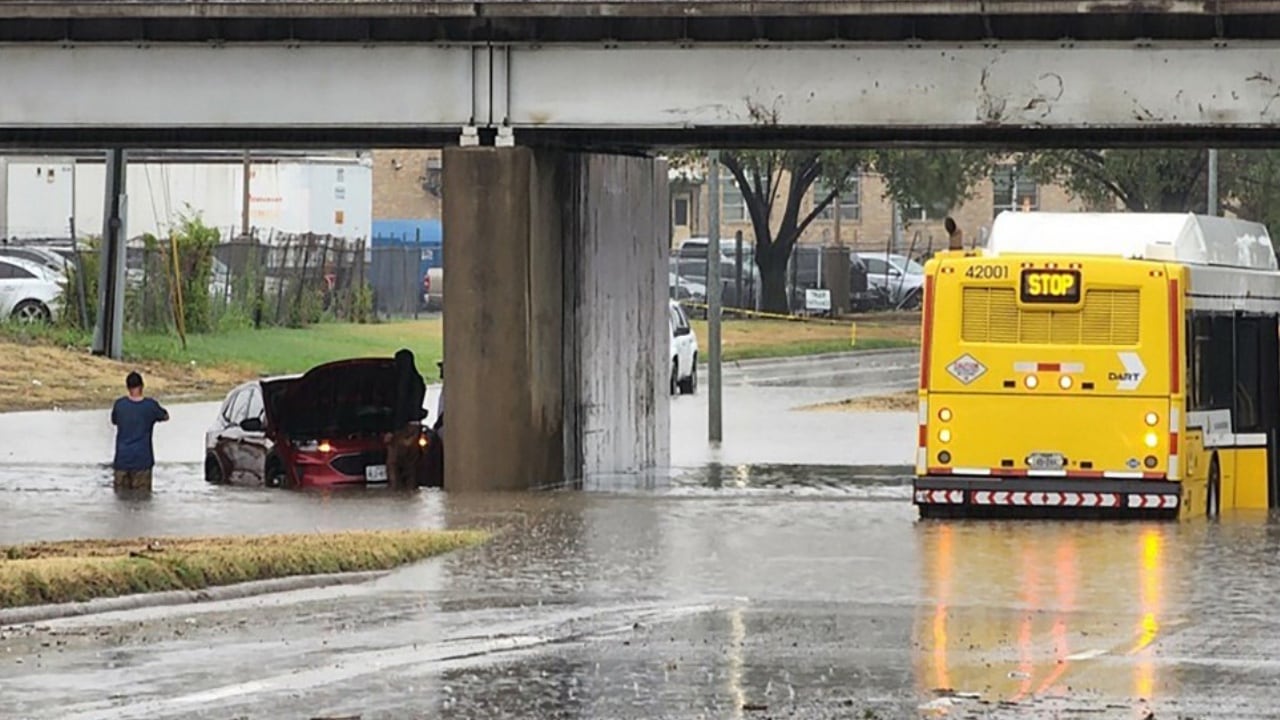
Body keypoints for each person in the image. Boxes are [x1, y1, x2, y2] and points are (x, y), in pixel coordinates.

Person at [110, 371, 169, 494]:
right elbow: (165, 416)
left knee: (120, 498)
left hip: (122, 460)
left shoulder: (119, 405)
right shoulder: (150, 406)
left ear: (127, 387)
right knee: (142, 498)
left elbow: (114, 421)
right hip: (142, 461)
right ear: (142, 386)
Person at [387, 348, 426, 490]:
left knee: (393, 463)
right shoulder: (419, 381)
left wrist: (392, 430)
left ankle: (396, 492)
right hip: (416, 427)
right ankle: (411, 492)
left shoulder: (402, 382)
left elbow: (400, 407)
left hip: (403, 428)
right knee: (411, 465)